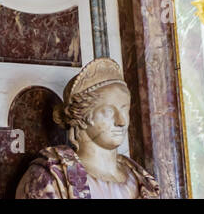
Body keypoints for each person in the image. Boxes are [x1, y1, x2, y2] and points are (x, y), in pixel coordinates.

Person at [15, 57, 160, 199]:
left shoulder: (141, 178)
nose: (121, 121)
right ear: (82, 116)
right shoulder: (49, 176)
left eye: (125, 110)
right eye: (109, 111)